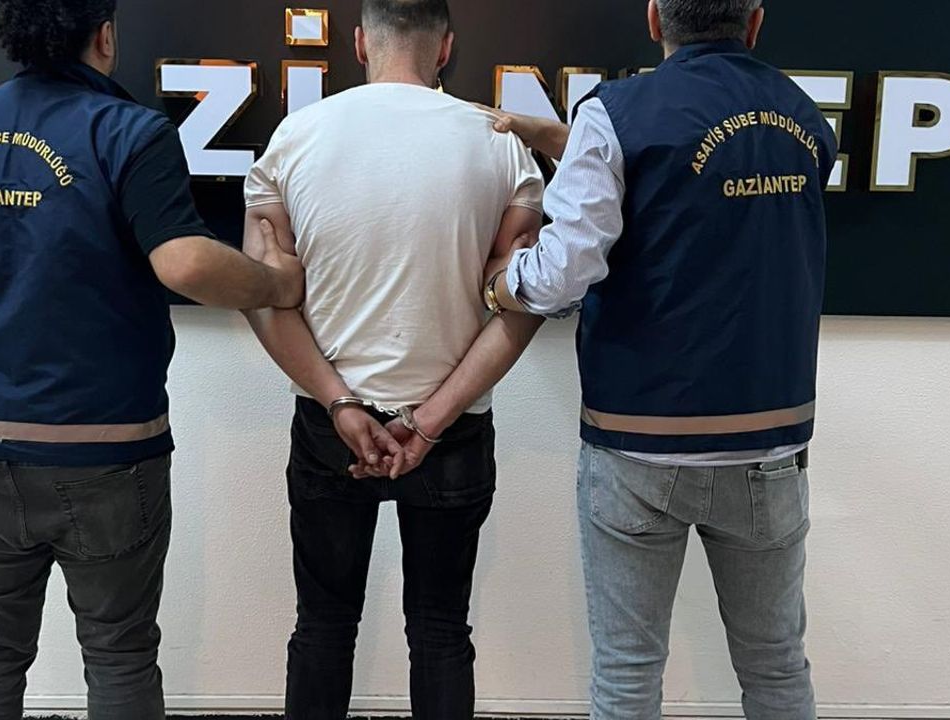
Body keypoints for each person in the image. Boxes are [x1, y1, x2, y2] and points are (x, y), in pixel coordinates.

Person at [0, 0, 303, 718]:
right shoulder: (129, 131)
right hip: (107, 449)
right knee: (119, 651)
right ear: (104, 37)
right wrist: (277, 283)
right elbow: (185, 263)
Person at [483, 1, 836, 718]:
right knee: (775, 667)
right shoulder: (803, 115)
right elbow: (697, 177)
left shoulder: (616, 113)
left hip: (638, 441)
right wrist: (567, 139)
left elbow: (563, 274)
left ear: (654, 19)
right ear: (755, 22)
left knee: (626, 674)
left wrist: (500, 284)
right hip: (768, 444)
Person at [240, 0, 547, 716]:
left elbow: (264, 296)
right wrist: (432, 418)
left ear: (359, 43)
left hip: (330, 424)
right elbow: (522, 300)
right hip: (452, 426)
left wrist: (340, 402)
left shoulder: (295, 138)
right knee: (441, 631)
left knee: (323, 625)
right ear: (445, 48)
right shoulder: (501, 144)